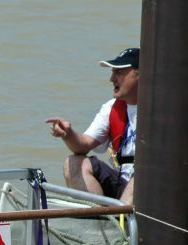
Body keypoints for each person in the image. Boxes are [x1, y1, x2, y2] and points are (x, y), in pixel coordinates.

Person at [46, 47, 140, 204]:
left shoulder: (161, 109)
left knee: (142, 172)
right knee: (73, 163)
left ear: (140, 75)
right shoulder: (111, 108)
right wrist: (68, 134)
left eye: (119, 73)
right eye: (112, 72)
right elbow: (83, 146)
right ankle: (102, 223)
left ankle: (122, 222)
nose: (112, 79)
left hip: (152, 187)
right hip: (121, 183)